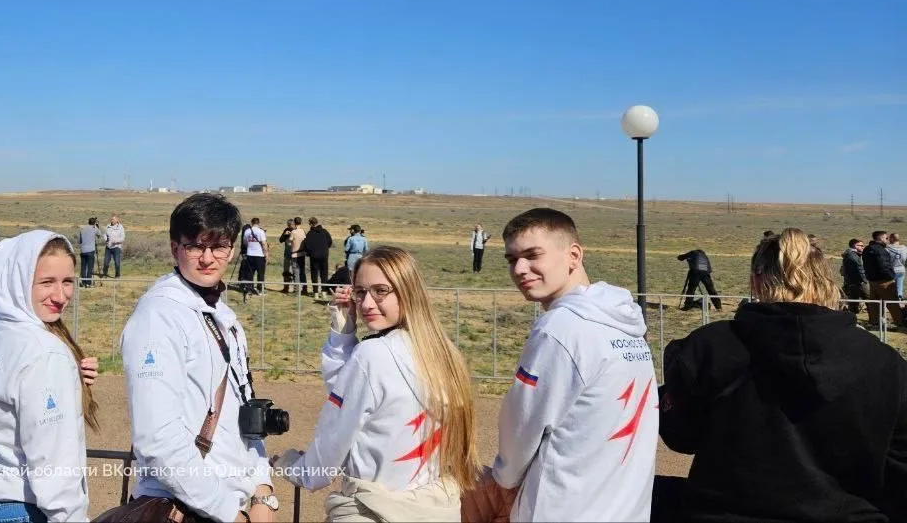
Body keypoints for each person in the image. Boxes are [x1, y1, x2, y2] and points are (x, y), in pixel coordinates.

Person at [658, 228, 907, 521]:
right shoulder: (885, 363)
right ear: (827, 282)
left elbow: (680, 436)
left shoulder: (710, 347)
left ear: (756, 281)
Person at [273, 246, 477, 521]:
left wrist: (300, 470)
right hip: (438, 507)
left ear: (407, 291)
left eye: (381, 291)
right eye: (360, 292)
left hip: (374, 509)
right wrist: (344, 334)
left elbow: (337, 431)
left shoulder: (372, 354)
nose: (367, 304)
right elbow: (355, 395)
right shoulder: (445, 352)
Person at [480, 207, 657, 522]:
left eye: (532, 255)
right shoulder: (625, 324)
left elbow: (523, 424)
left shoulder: (560, 328)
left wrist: (503, 479)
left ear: (574, 255)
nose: (519, 269)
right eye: (511, 259)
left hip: (564, 510)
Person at [120, 193, 276, 523]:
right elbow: (158, 439)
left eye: (218, 246)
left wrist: (263, 489)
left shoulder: (224, 317)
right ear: (174, 248)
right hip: (184, 507)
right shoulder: (159, 316)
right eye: (195, 246)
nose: (207, 258)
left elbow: (245, 410)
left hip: (234, 502)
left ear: (232, 249)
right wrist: (229, 514)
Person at [0, 230, 101, 522]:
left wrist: (69, 379)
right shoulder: (43, 352)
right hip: (24, 509)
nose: (61, 296)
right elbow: (53, 466)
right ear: (20, 280)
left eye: (68, 281)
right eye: (46, 282)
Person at [862, 231, 903, 328]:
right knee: (892, 304)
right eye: (886, 238)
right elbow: (884, 266)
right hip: (884, 281)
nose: (887, 240)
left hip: (872, 281)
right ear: (881, 238)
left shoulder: (867, 249)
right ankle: (900, 324)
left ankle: (875, 323)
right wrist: (891, 276)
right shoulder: (880, 250)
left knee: (875, 304)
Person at [304, 217, 334, 300]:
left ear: (310, 224)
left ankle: (316, 293)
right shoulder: (324, 232)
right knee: (324, 274)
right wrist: (324, 249)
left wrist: (310, 253)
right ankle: (324, 293)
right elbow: (330, 242)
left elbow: (306, 245)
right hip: (324, 255)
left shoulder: (310, 234)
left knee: (314, 274)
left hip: (314, 256)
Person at [841, 238, 869, 316]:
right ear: (855, 246)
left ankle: (852, 319)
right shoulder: (853, 256)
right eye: (861, 245)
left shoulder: (849, 255)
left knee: (853, 303)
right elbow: (860, 269)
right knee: (869, 300)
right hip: (859, 282)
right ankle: (874, 320)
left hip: (851, 283)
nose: (863, 247)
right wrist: (865, 281)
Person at [242, 217, 269, 294]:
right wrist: (266, 254)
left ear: (252, 222)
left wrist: (250, 247)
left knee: (249, 273)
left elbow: (245, 242)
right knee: (260, 273)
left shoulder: (247, 231)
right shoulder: (261, 231)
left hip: (250, 254)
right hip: (259, 255)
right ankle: (260, 290)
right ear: (258, 223)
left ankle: (249, 289)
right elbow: (264, 244)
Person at [77, 217, 102, 288]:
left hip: (83, 251)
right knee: (90, 267)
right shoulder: (94, 229)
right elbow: (99, 235)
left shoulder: (82, 229)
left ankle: (83, 282)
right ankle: (88, 283)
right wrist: (97, 226)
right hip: (90, 251)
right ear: (94, 223)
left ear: (88, 222)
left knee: (83, 267)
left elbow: (79, 241)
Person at [102, 214, 126, 279]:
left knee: (117, 263)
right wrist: (106, 239)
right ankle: (105, 274)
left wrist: (116, 241)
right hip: (108, 247)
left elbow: (122, 238)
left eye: (113, 219)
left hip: (116, 247)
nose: (112, 220)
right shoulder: (108, 226)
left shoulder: (120, 227)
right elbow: (104, 234)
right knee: (106, 262)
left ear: (117, 220)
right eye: (111, 219)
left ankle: (117, 275)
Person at [889, 233, 907, 299]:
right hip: (901, 270)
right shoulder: (905, 248)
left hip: (891, 270)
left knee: (890, 288)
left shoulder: (887, 248)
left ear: (892, 238)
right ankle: (899, 300)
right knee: (899, 288)